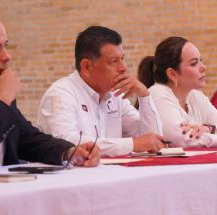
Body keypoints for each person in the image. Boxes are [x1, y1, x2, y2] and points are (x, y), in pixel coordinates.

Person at [0, 12, 99, 167]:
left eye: (6, 46)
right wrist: (3, 98)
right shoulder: (2, 95)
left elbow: (27, 139)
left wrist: (69, 151)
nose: (7, 56)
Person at [38, 26, 165, 156]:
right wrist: (132, 144)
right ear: (86, 67)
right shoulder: (60, 94)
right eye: (114, 61)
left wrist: (144, 96)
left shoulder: (116, 96)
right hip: (70, 175)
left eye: (122, 59)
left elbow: (153, 140)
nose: (123, 68)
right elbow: (66, 142)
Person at [138, 36, 217, 147]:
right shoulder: (156, 93)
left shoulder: (195, 95)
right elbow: (181, 139)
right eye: (193, 63)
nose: (203, 67)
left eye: (201, 61)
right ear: (172, 74)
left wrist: (209, 128)